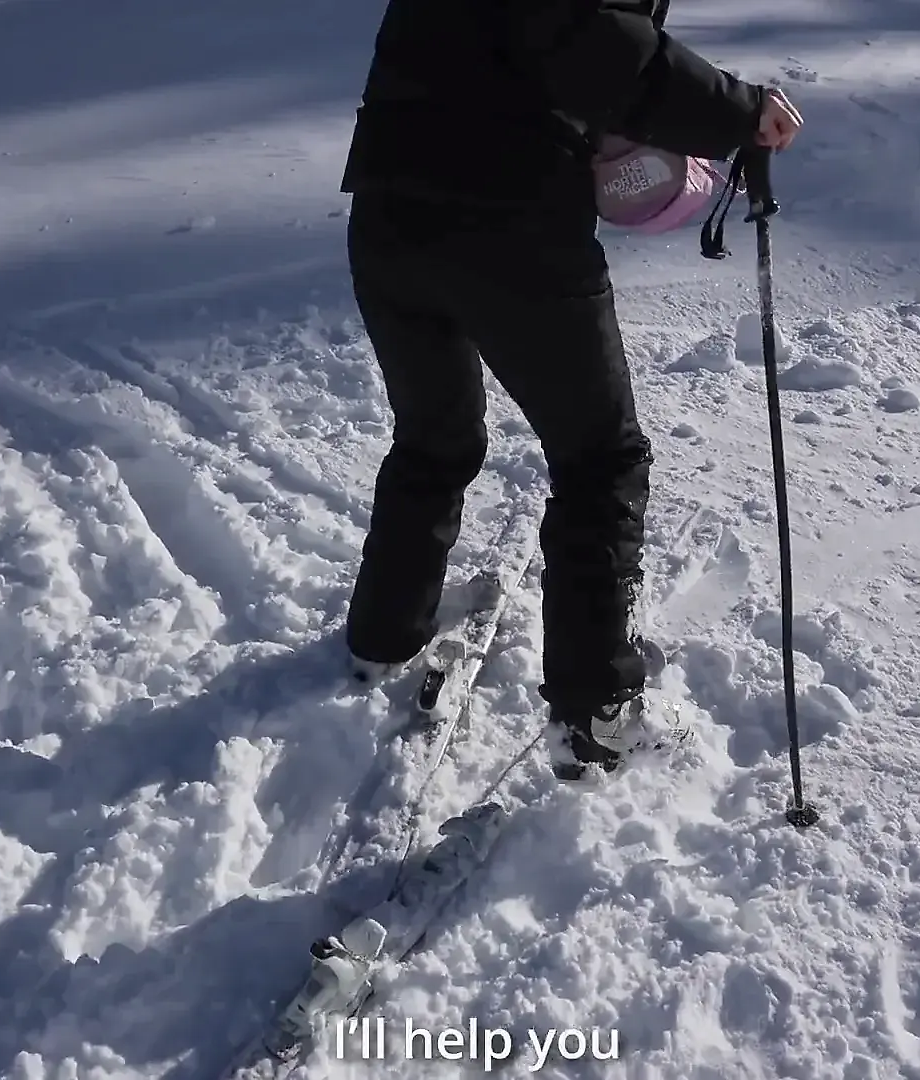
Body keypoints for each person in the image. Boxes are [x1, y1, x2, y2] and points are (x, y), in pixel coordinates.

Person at [339, 0, 803, 783]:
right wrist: (739, 112)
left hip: (389, 214)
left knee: (433, 433)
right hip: (510, 219)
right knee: (599, 460)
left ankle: (382, 636)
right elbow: (600, 47)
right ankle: (597, 715)